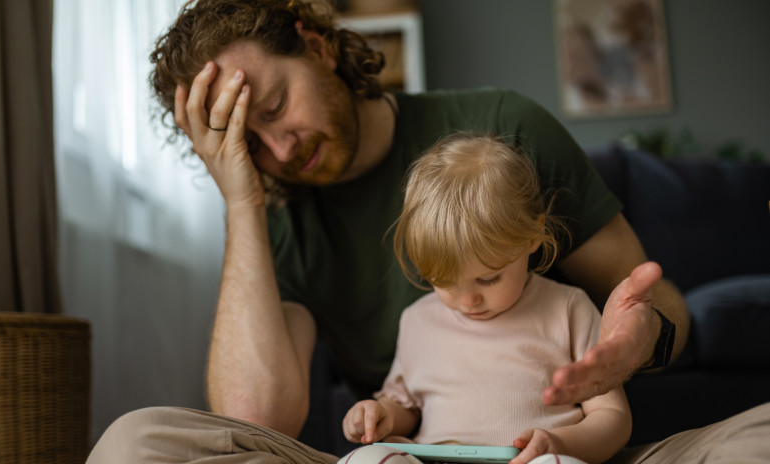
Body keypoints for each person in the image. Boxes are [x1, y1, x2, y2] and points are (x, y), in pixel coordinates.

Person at [87, 0, 770, 463]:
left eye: (273, 107)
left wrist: (632, 341)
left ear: (316, 46)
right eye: (247, 143)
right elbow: (256, 422)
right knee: (136, 442)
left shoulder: (506, 127)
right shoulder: (276, 215)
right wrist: (242, 200)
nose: (281, 149)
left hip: (554, 454)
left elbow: (656, 303)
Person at [340, 133, 632, 464]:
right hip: (436, 459)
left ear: (534, 235)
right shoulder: (416, 320)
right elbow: (404, 407)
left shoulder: (568, 309)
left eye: (488, 278)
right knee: (365, 459)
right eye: (444, 282)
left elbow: (613, 416)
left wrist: (559, 444)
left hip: (530, 460)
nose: (468, 301)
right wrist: (380, 415)